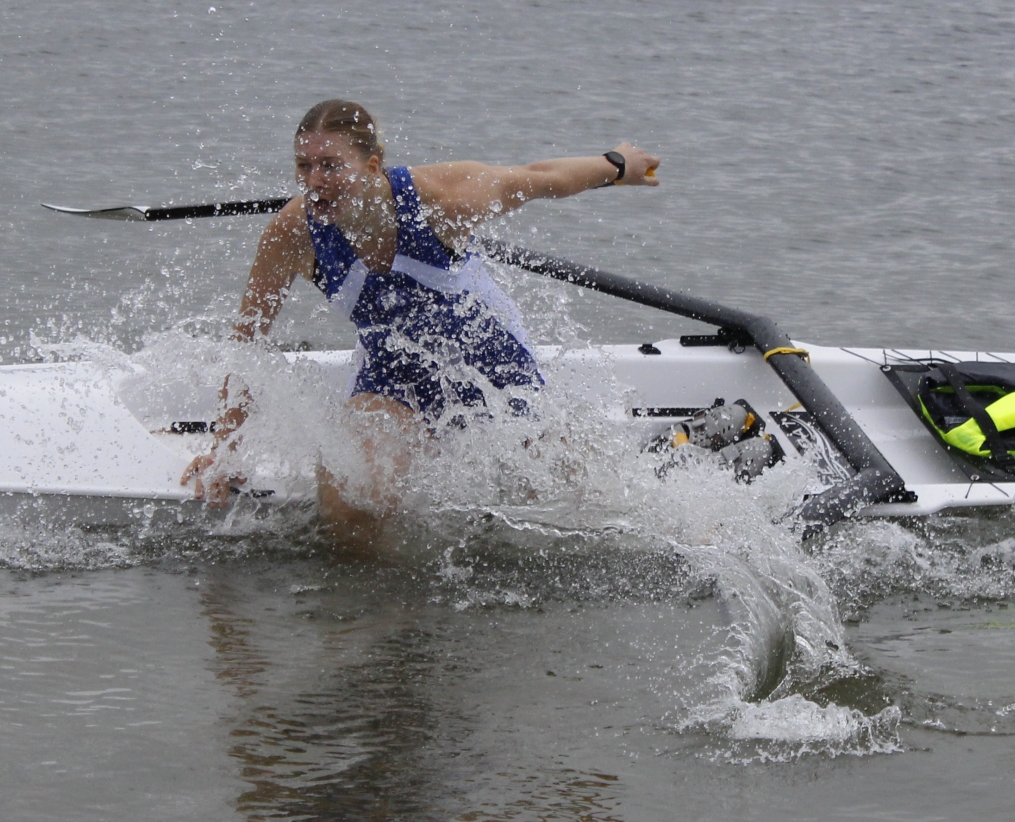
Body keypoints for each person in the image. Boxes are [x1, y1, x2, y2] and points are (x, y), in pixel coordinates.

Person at [182, 99, 661, 553]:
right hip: (393, 382)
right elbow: (246, 342)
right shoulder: (293, 233)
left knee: (598, 505)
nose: (314, 181)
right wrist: (226, 450)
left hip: (494, 373)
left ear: (372, 167)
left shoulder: (446, 199)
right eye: (304, 167)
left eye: (330, 165)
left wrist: (617, 164)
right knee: (351, 497)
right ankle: (381, 613)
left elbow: (542, 178)